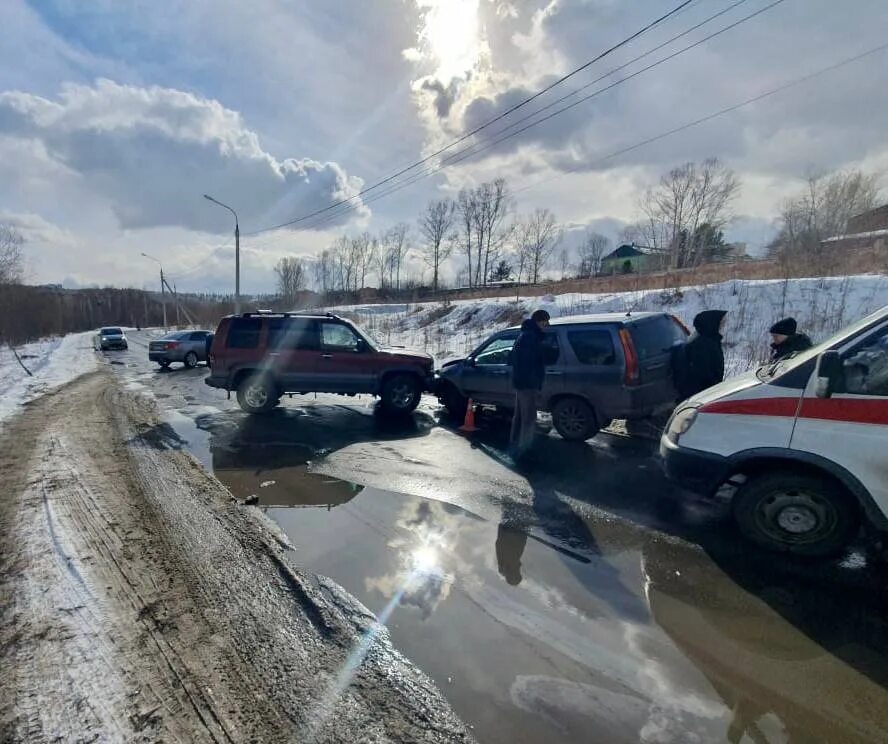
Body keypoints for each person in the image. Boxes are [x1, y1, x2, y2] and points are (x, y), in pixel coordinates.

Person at [509, 309, 550, 460]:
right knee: (529, 417)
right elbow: (528, 364)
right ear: (539, 321)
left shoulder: (527, 335)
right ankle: (524, 448)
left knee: (520, 416)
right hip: (527, 385)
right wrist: (534, 384)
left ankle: (515, 443)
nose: (547, 325)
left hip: (522, 383)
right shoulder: (530, 338)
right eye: (545, 322)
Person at [675, 309, 727, 400]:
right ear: (712, 323)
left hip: (709, 392)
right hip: (702, 395)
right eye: (721, 322)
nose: (723, 325)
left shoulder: (712, 340)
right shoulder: (702, 345)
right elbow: (704, 373)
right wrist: (714, 390)